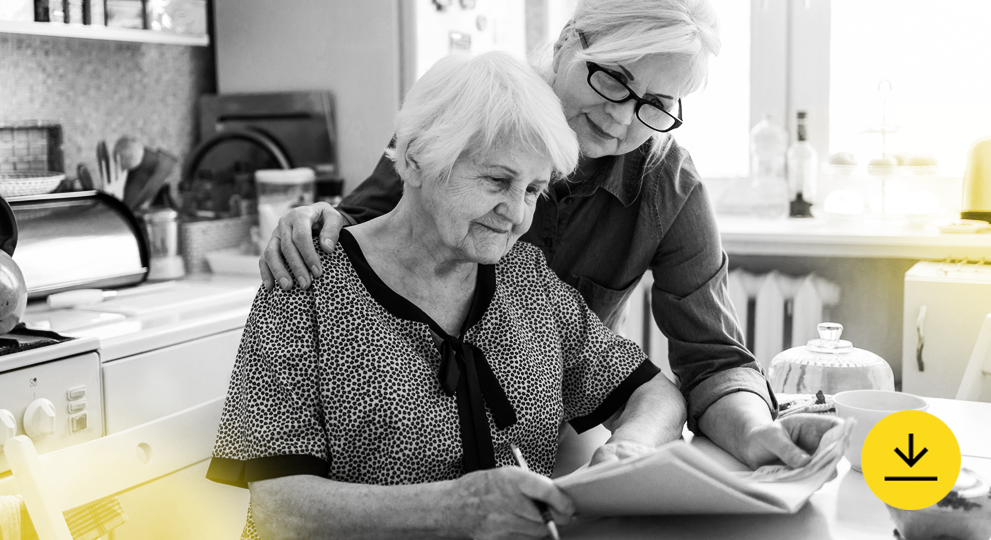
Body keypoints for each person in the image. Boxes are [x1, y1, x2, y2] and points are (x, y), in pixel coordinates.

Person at [259, 0, 841, 472]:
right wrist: (315, 219)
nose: (622, 118)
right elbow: (363, 227)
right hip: (405, 439)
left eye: (655, 105)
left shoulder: (669, 185)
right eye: (615, 79)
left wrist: (758, 433)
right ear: (567, 44)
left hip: (549, 429)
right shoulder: (474, 113)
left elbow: (712, 360)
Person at [208, 50, 686, 540]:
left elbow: (655, 395)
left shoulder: (526, 279)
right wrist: (455, 508)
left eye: (532, 190)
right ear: (416, 161)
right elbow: (277, 508)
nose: (516, 215)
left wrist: (631, 449)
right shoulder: (307, 283)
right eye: (498, 180)